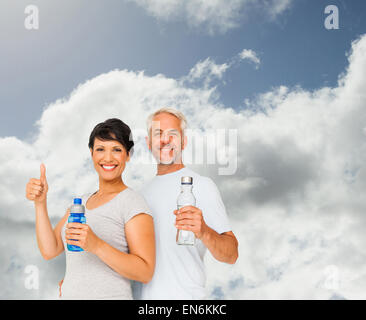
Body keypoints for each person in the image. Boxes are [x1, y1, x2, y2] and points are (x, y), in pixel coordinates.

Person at [25, 118, 155, 300]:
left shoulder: (132, 203)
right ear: (92, 153)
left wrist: (97, 245)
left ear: (128, 154)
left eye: (116, 149)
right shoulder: (80, 204)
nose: (107, 158)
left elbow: (145, 272)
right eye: (100, 149)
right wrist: (40, 203)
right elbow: (50, 250)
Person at [134, 107, 238, 299]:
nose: (165, 140)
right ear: (149, 143)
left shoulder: (202, 185)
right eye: (158, 134)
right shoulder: (137, 196)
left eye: (172, 134)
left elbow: (231, 254)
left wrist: (204, 231)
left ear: (184, 142)